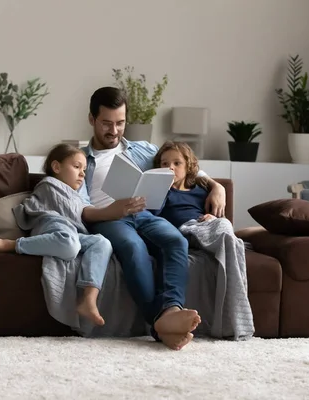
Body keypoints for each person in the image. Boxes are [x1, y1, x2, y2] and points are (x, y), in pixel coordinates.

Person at [77, 87, 227, 350]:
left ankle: (171, 308)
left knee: (176, 241)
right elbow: (79, 209)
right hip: (109, 219)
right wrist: (114, 210)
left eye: (120, 123)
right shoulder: (80, 160)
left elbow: (192, 169)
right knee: (134, 248)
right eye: (106, 124)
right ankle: (160, 321)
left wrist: (217, 187)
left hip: (145, 215)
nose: (114, 131)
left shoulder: (144, 150)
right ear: (91, 119)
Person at [0, 143, 112, 327]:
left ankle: (89, 298)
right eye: (77, 167)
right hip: (51, 225)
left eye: (84, 169)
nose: (82, 174)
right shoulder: (49, 184)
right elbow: (64, 209)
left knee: (102, 242)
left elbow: (76, 215)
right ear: (56, 167)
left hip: (69, 231)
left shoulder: (75, 195)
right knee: (70, 245)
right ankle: (9, 244)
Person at [151, 140, 219, 228]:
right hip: (184, 230)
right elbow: (152, 214)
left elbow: (216, 215)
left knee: (223, 224)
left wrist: (212, 218)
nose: (170, 167)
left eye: (177, 163)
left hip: (203, 227)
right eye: (165, 163)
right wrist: (164, 187)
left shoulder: (200, 191)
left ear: (188, 166)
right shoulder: (162, 192)